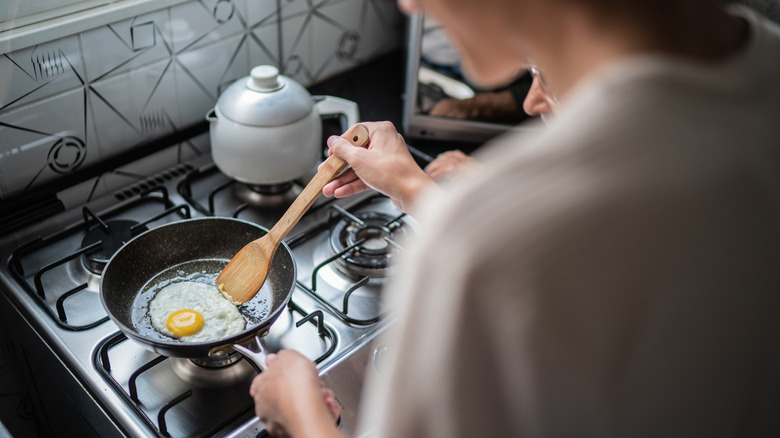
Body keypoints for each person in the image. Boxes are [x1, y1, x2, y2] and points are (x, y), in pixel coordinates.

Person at [250, 0, 780, 436]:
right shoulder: (763, 62)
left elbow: (522, 250)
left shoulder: (490, 243)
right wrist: (412, 184)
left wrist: (300, 414)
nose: (410, 5)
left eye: (542, 75)